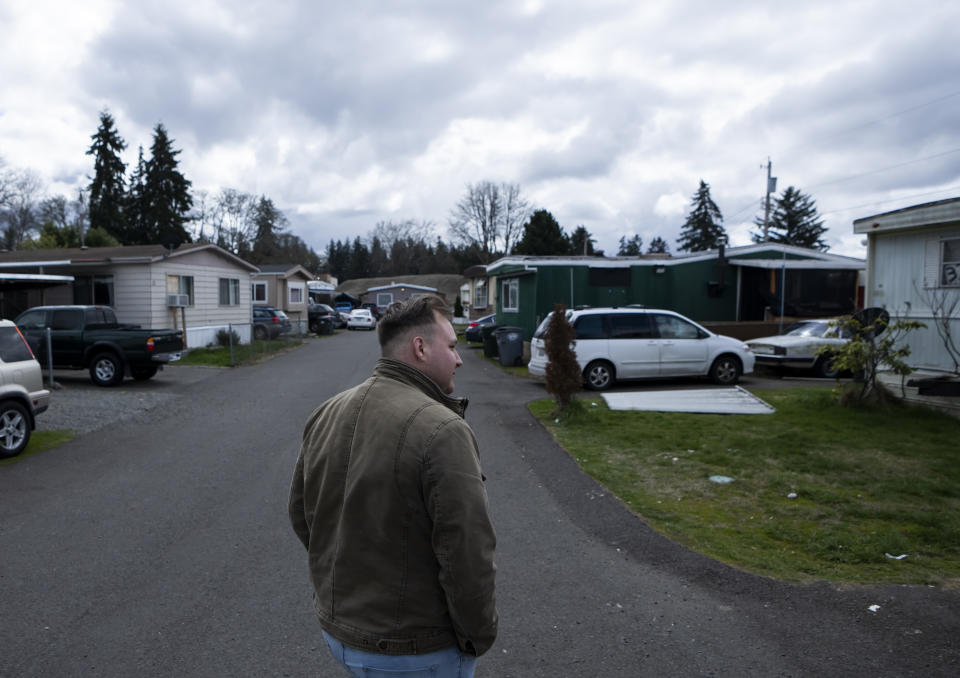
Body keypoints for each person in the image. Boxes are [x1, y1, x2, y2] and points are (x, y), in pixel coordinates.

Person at [289, 294, 497, 678]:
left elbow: (304, 517)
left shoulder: (328, 410)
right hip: (415, 651)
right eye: (451, 346)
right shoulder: (442, 428)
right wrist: (478, 636)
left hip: (341, 635)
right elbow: (467, 552)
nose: (459, 358)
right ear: (420, 347)